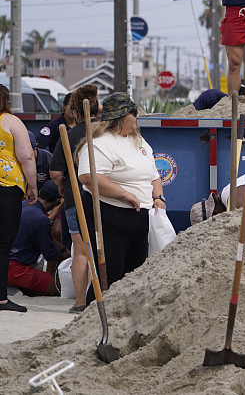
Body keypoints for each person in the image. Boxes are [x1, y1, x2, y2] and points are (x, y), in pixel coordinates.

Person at [76, 93, 165, 300]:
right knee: (109, 275)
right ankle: (94, 319)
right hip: (108, 215)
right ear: (121, 116)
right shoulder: (99, 143)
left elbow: (154, 176)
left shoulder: (139, 142)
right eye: (133, 113)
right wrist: (125, 194)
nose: (136, 117)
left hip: (139, 217)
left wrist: (158, 197)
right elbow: (89, 177)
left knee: (134, 275)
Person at [49, 84, 99, 313]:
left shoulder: (69, 135)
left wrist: (62, 186)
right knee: (102, 247)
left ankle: (81, 303)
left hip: (75, 195)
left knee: (80, 250)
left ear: (75, 112)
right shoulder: (107, 132)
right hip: (105, 197)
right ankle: (102, 298)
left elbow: (56, 173)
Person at [0, 84, 38, 312]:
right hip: (7, 187)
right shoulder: (11, 122)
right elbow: (26, 157)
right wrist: (32, 187)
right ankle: (1, 298)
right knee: (3, 243)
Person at [7, 180, 69, 297]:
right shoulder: (41, 219)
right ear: (58, 201)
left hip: (6, 263)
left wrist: (61, 248)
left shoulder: (24, 205)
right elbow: (50, 254)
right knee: (63, 288)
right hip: (17, 271)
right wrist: (68, 258)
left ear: (40, 192)